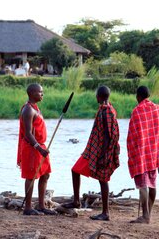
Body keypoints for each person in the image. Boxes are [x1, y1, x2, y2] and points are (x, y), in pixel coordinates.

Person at [62, 85, 120, 221]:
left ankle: (105, 213)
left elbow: (108, 136)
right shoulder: (104, 108)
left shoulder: (107, 112)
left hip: (101, 151)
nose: (95, 97)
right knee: (75, 170)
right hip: (93, 149)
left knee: (103, 180)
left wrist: (102, 156)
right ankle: (76, 201)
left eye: (96, 95)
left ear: (99, 97)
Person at [17, 83, 56, 215]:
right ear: (33, 93)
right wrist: (39, 148)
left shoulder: (36, 108)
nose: (42, 94)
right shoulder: (28, 110)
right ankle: (27, 208)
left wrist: (41, 148)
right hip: (32, 148)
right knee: (31, 176)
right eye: (40, 92)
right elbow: (28, 134)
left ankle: (41, 205)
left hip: (40, 146)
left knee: (45, 175)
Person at [127, 86, 159, 224]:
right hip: (153, 153)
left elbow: (132, 136)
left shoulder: (137, 111)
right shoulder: (157, 109)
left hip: (140, 154)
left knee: (142, 185)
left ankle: (145, 216)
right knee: (152, 183)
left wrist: (131, 153)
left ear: (138, 97)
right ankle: (149, 214)